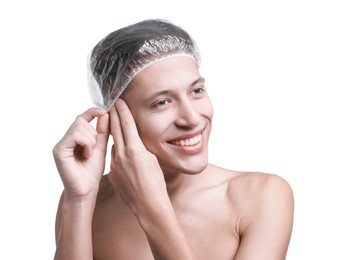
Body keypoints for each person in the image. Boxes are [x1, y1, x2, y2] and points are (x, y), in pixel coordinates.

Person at [53, 19, 294, 260]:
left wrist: (151, 207)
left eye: (196, 91)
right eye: (161, 102)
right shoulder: (88, 200)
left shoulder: (262, 196)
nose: (191, 118)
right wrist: (80, 200)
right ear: (115, 117)